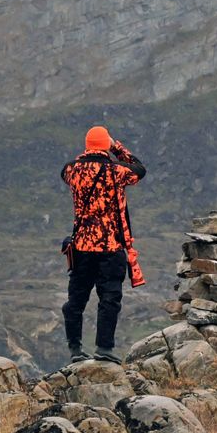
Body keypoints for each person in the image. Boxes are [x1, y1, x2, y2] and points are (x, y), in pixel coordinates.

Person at [61, 125, 146, 364]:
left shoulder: (71, 170)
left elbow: (64, 172)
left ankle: (75, 349)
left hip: (81, 247)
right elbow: (139, 169)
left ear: (88, 145)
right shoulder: (115, 171)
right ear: (105, 145)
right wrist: (117, 146)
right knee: (109, 299)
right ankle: (104, 348)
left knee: (76, 300)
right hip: (109, 247)